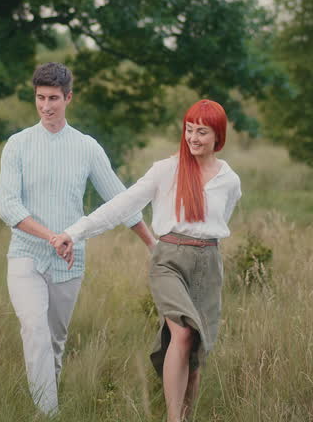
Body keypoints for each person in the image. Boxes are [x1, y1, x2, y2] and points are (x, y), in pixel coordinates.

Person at [52, 99, 241, 422]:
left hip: (208, 263)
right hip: (168, 260)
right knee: (181, 333)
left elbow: (219, 222)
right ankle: (172, 418)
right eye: (189, 130)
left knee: (196, 351)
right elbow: (121, 205)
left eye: (202, 132)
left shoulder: (229, 180)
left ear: (217, 136)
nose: (193, 138)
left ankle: (185, 415)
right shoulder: (166, 170)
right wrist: (75, 231)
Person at [0, 62, 155, 416]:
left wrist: (152, 244)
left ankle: (45, 406)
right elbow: (8, 207)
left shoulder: (86, 147)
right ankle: (49, 414)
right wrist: (52, 236)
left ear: (69, 98)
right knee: (34, 329)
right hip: (25, 254)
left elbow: (120, 200)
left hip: (70, 262)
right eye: (40, 98)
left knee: (53, 342)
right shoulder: (17, 145)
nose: (46, 106)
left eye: (54, 98)